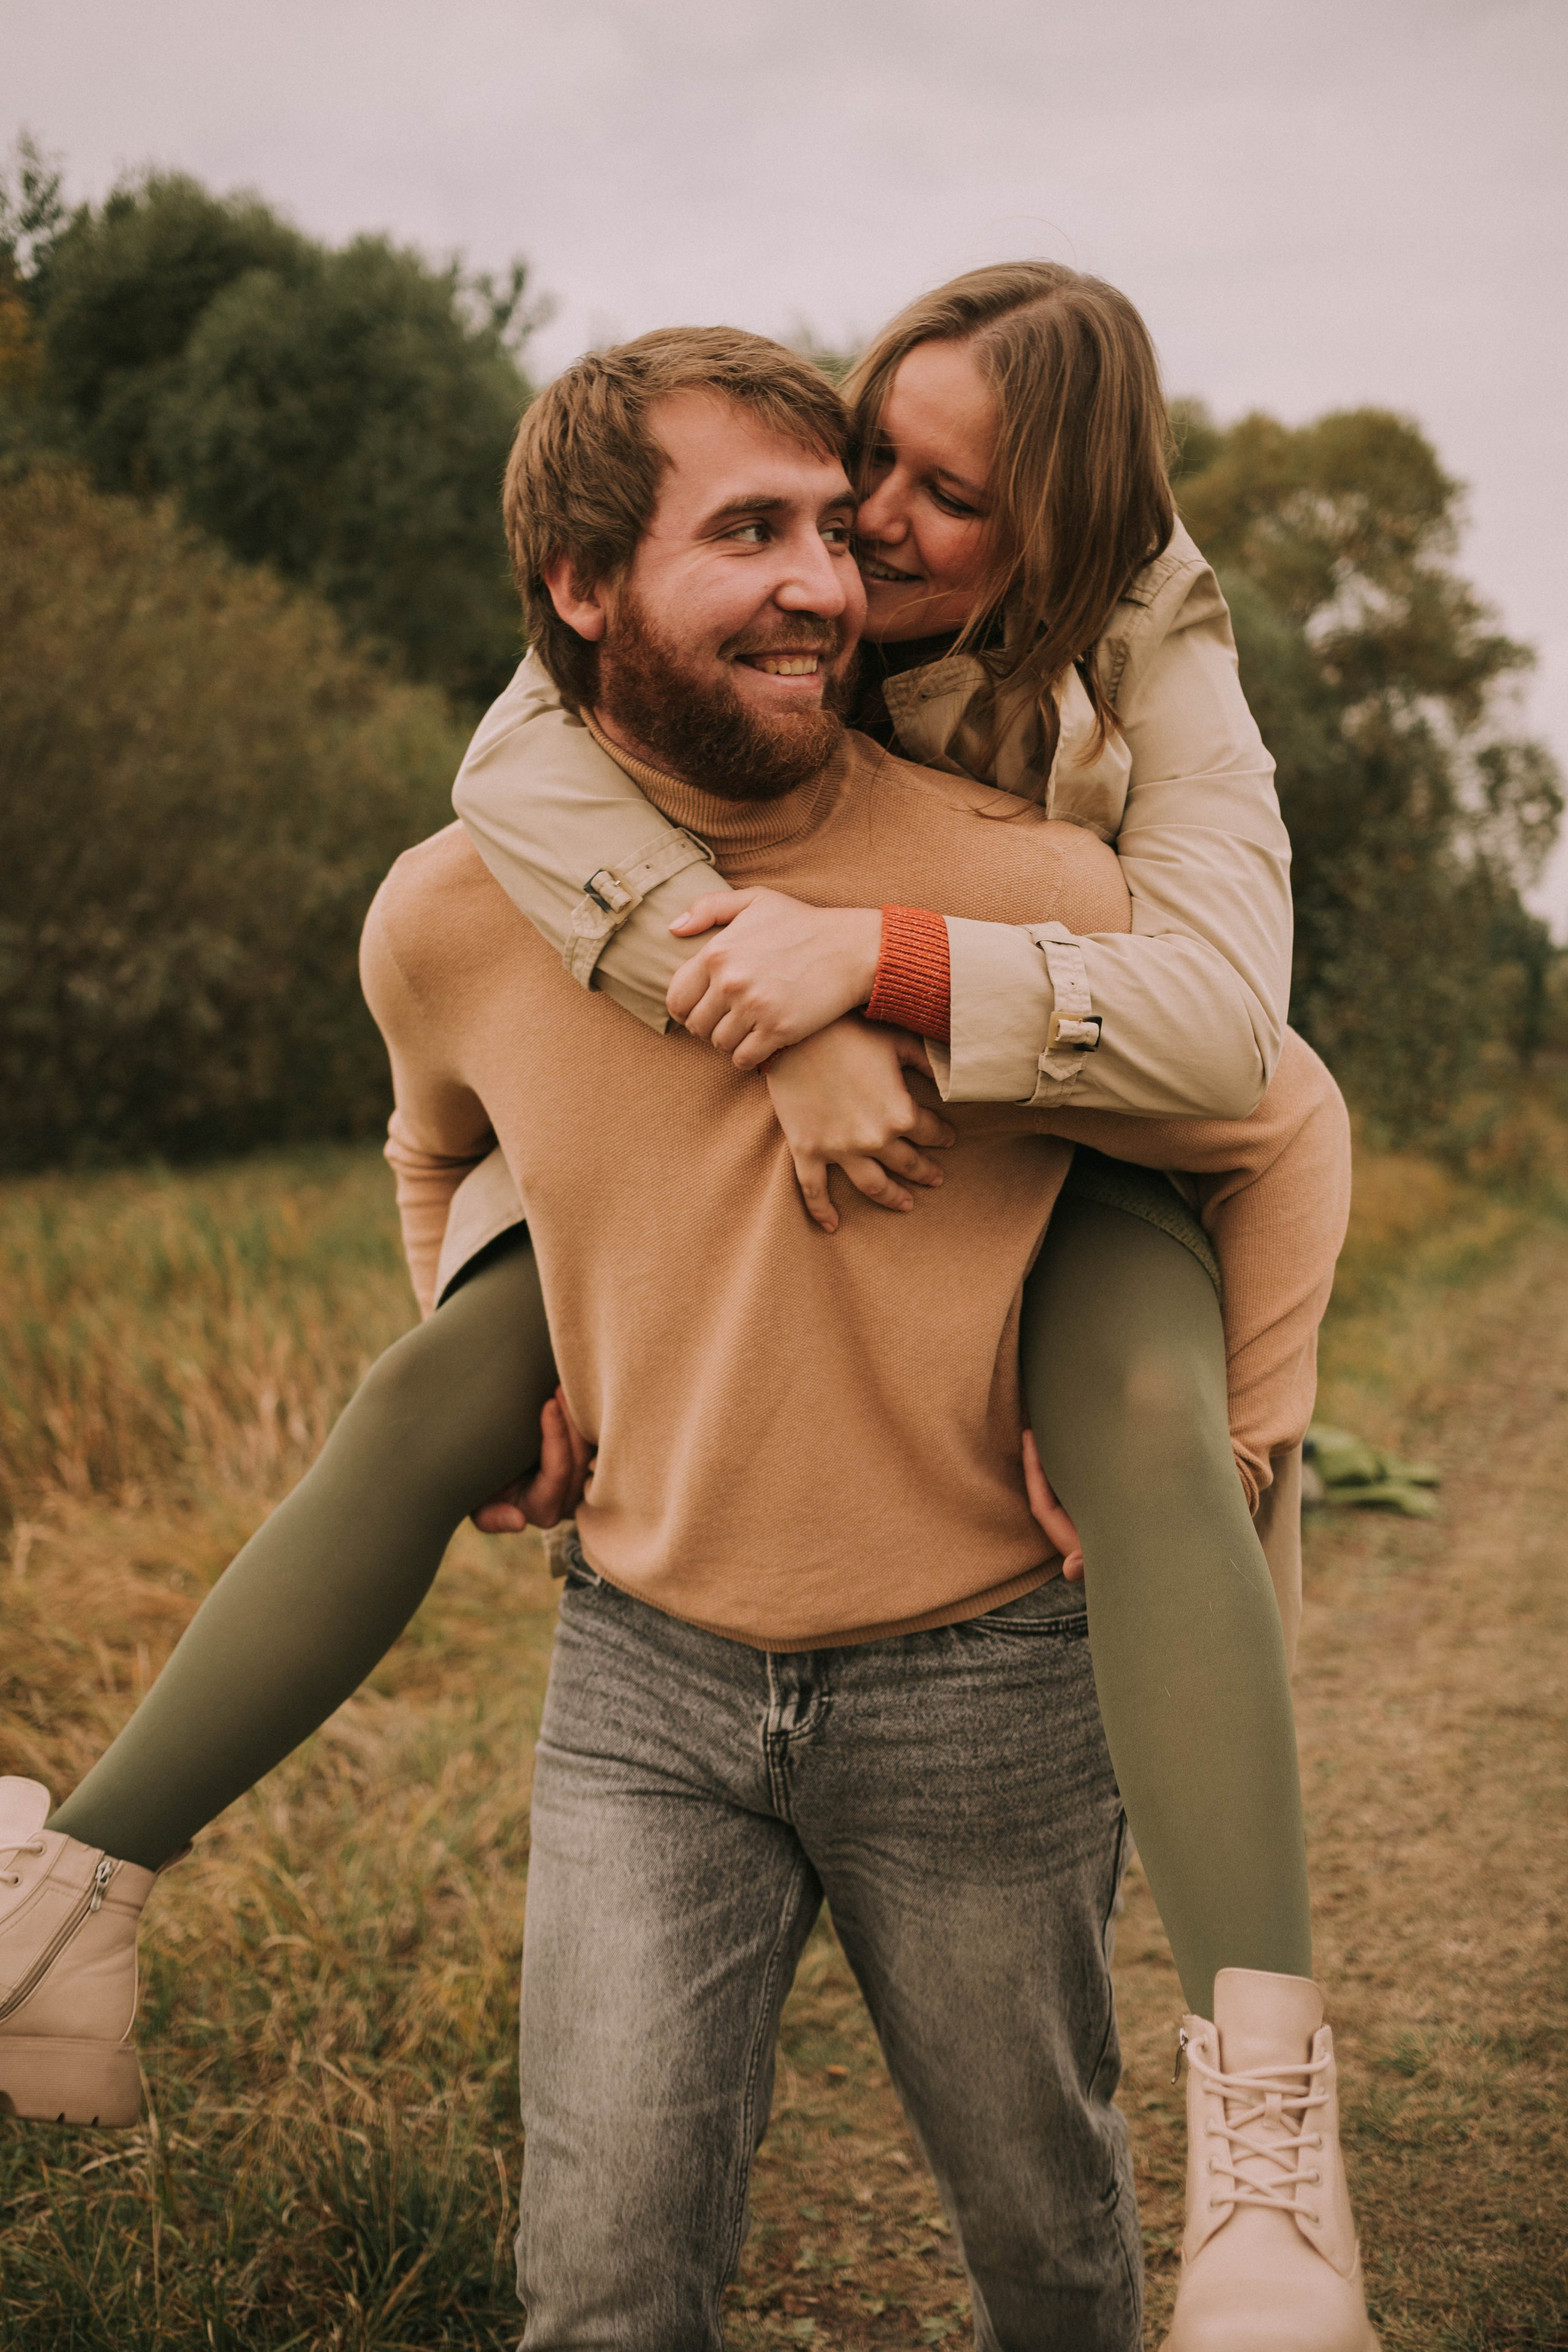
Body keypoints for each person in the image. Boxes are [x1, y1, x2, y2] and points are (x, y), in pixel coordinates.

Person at [0, 297, 1373, 2348]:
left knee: (1051, 2261)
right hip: (647, 1675)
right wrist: (521, 1340)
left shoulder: (1083, 817)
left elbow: (1270, 1087)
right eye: (796, 512)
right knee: (603, 2298)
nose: (855, 555)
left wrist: (885, 973)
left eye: (908, 507)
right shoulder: (474, 884)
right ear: (584, 585)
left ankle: (1276, 2149)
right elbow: (437, 1133)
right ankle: (69, 1907)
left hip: (982, 1682)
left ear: (1063, 533)